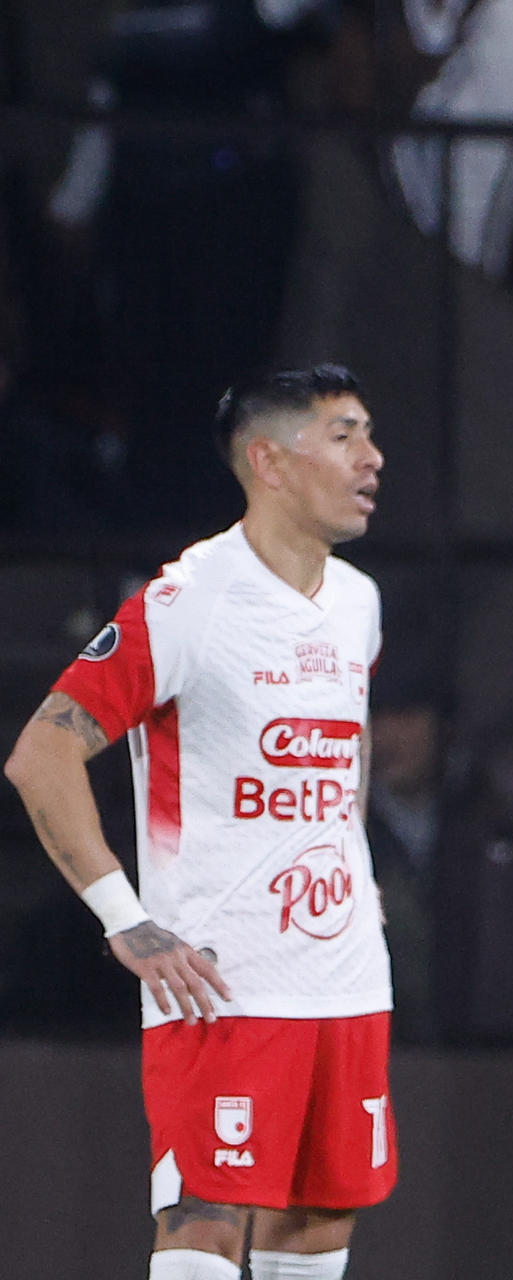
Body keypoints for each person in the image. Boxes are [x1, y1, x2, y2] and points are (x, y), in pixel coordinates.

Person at [4, 365, 394, 1280]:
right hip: (221, 984)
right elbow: (41, 755)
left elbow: (348, 745)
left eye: (370, 434)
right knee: (207, 1224)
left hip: (343, 978)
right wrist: (125, 917)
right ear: (270, 461)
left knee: (319, 1221)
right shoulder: (190, 601)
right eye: (344, 436)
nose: (374, 458)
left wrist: (360, 869)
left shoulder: (359, 601)